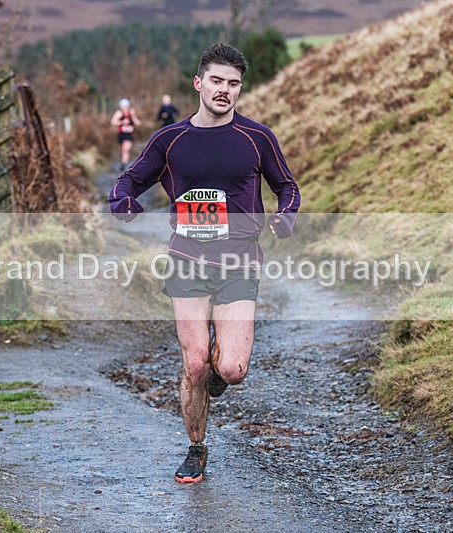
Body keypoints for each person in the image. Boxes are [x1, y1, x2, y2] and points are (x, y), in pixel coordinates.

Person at [107, 44, 300, 483]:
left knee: (231, 369)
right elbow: (128, 181)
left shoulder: (257, 138)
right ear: (199, 83)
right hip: (187, 261)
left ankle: (218, 372)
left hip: (238, 261)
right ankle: (196, 447)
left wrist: (285, 215)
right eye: (217, 81)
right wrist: (121, 201)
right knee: (194, 363)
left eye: (233, 84)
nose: (225, 91)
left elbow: (286, 186)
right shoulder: (170, 140)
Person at [110, 98, 141, 171]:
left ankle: (124, 165)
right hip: (121, 134)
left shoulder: (131, 113)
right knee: (123, 150)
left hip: (129, 134)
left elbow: (137, 122)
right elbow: (113, 122)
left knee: (126, 149)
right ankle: (124, 164)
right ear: (121, 106)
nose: (125, 107)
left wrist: (134, 118)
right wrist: (122, 122)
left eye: (126, 106)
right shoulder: (119, 113)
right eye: (123, 106)